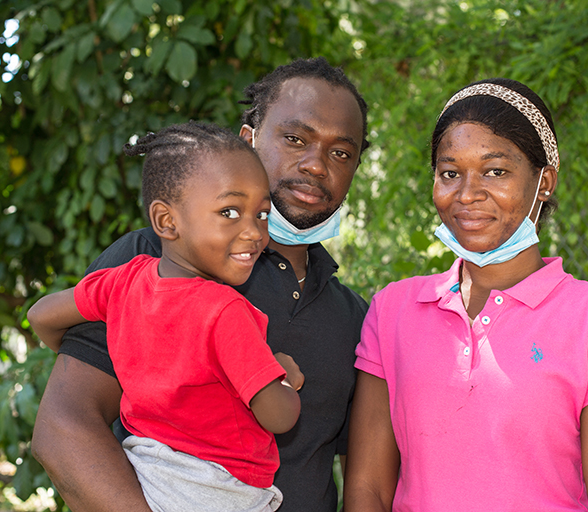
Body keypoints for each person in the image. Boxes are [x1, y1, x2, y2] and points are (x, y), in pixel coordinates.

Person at [31, 57, 370, 512]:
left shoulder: (356, 317)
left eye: (341, 152)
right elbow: (63, 429)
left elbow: (361, 479)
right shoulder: (154, 261)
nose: (316, 164)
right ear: (247, 140)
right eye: (295, 138)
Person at [344, 78, 588, 511]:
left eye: (495, 171)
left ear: (544, 182)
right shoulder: (393, 311)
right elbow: (368, 491)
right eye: (450, 173)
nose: (468, 194)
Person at [28, 122, 302, 512]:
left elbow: (41, 315)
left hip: (147, 475)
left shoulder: (122, 282)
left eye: (261, 214)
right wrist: (283, 378)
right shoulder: (224, 310)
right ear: (166, 221)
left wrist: (130, 358)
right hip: (218, 491)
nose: (254, 232)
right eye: (229, 211)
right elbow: (279, 417)